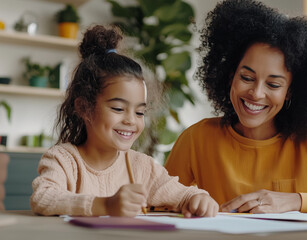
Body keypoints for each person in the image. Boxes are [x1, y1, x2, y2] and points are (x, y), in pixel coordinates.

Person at [165, 0, 307, 214]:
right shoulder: (197, 139)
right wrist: (188, 200)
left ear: (290, 90)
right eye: (246, 77)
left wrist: (296, 201)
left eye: (273, 84)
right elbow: (156, 201)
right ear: (231, 76)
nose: (256, 93)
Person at [30, 25, 218, 218]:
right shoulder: (63, 160)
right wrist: (105, 205)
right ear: (84, 108)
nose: (130, 120)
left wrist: (198, 198)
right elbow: (44, 198)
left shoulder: (142, 167)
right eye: (118, 109)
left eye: (139, 112)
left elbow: (183, 193)